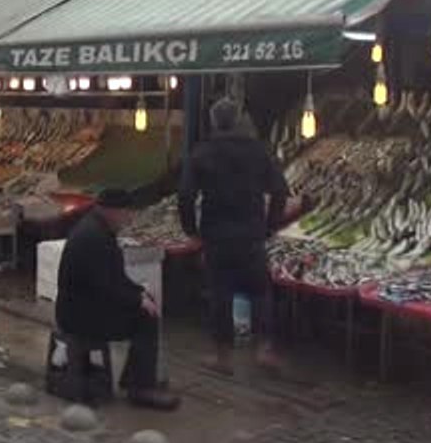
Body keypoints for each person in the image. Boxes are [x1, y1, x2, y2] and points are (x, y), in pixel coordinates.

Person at [178, 98, 289, 373]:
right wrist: (271, 225)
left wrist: (191, 231)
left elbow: (185, 195)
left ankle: (223, 357)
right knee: (260, 291)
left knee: (220, 294)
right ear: (239, 120)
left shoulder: (202, 152)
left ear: (214, 122)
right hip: (252, 233)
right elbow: (280, 190)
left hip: (216, 235)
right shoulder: (258, 151)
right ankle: (263, 350)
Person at [56, 188, 180, 411]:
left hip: (85, 304)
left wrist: (139, 293)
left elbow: (115, 278)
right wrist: (137, 301)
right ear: (111, 211)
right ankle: (141, 387)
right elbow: (105, 286)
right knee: (145, 318)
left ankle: (135, 380)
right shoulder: (94, 237)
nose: (129, 218)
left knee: (146, 304)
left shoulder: (96, 229)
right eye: (126, 213)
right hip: (81, 314)